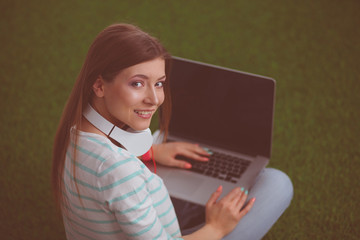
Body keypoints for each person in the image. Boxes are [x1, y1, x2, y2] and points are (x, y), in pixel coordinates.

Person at [52, 23, 293, 240]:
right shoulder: (120, 172)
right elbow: (116, 175)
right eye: (137, 83)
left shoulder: (74, 132)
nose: (154, 99)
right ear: (99, 85)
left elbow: (103, 171)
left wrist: (149, 153)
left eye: (159, 83)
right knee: (277, 183)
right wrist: (216, 228)